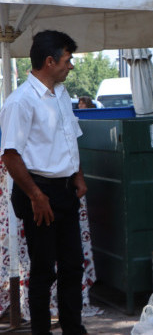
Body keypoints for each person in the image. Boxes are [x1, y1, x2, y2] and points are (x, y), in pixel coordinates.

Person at [0, 30, 88, 335]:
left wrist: (77, 174)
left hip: (63, 190)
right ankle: (41, 331)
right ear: (49, 62)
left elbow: (69, 136)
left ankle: (73, 328)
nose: (71, 65)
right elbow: (10, 157)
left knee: (72, 266)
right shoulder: (20, 102)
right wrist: (36, 196)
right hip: (37, 191)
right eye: (68, 59)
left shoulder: (61, 94)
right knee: (42, 270)